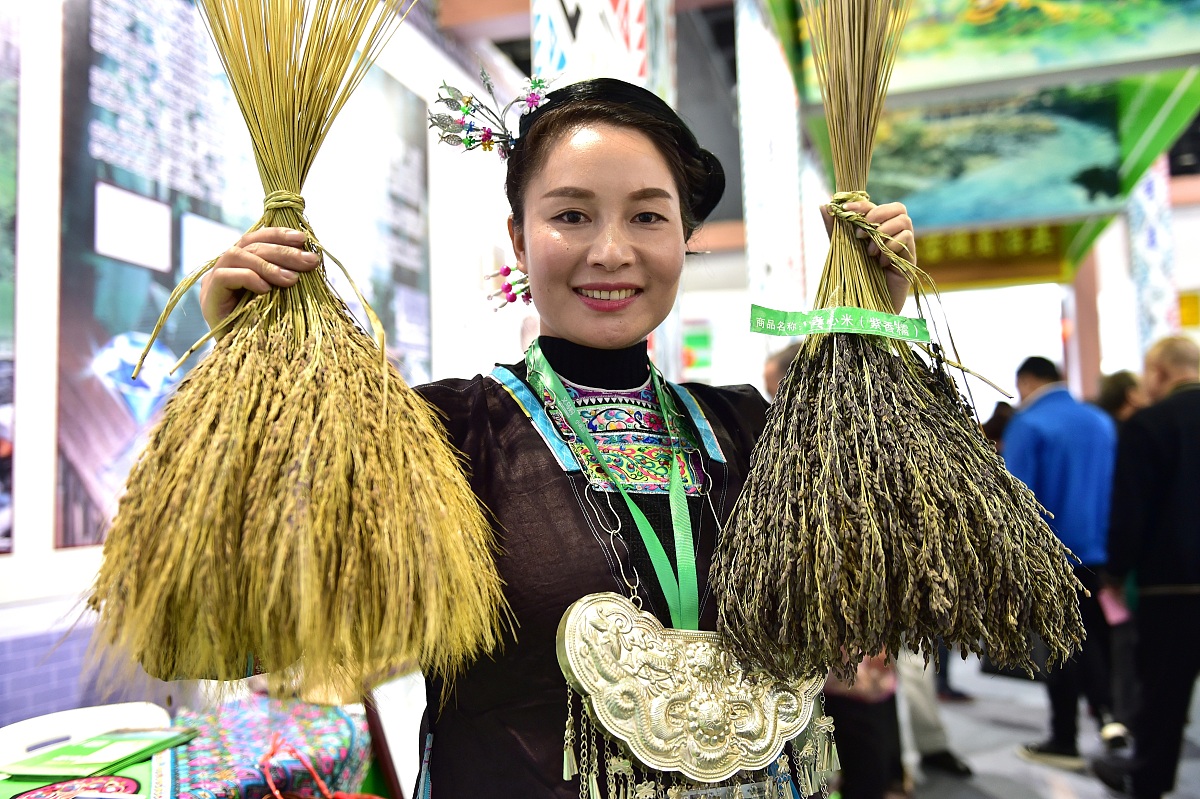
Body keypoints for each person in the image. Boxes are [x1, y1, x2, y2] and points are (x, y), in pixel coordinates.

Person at [198, 78, 916, 798]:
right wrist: (247, 374)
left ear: (684, 238)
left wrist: (873, 329)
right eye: (572, 214)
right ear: (518, 237)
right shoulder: (443, 432)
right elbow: (246, 628)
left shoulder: (747, 426)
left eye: (647, 217)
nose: (610, 251)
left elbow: (882, 591)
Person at [1002, 356, 1127, 769]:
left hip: (1051, 557)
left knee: (1061, 645)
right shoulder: (1099, 421)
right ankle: (1110, 718)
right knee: (1095, 637)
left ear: (1026, 382)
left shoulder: (1028, 424)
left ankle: (1064, 738)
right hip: (1098, 550)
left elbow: (1017, 501)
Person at [1091, 335, 1200, 799]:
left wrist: (1115, 571)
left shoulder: (1150, 425)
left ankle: (1149, 778)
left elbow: (1130, 511)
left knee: (1162, 695)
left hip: (1171, 587)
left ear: (1158, 374)